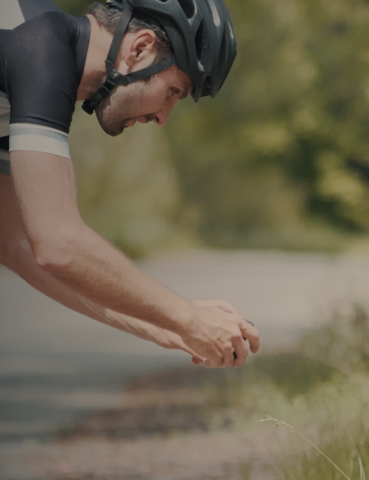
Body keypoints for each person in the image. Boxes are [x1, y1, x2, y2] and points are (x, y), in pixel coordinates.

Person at [0, 0, 260, 368]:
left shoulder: (29, 52)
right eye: (174, 91)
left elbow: (16, 243)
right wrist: (189, 317)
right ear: (140, 48)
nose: (163, 118)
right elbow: (58, 243)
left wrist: (169, 328)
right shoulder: (40, 47)